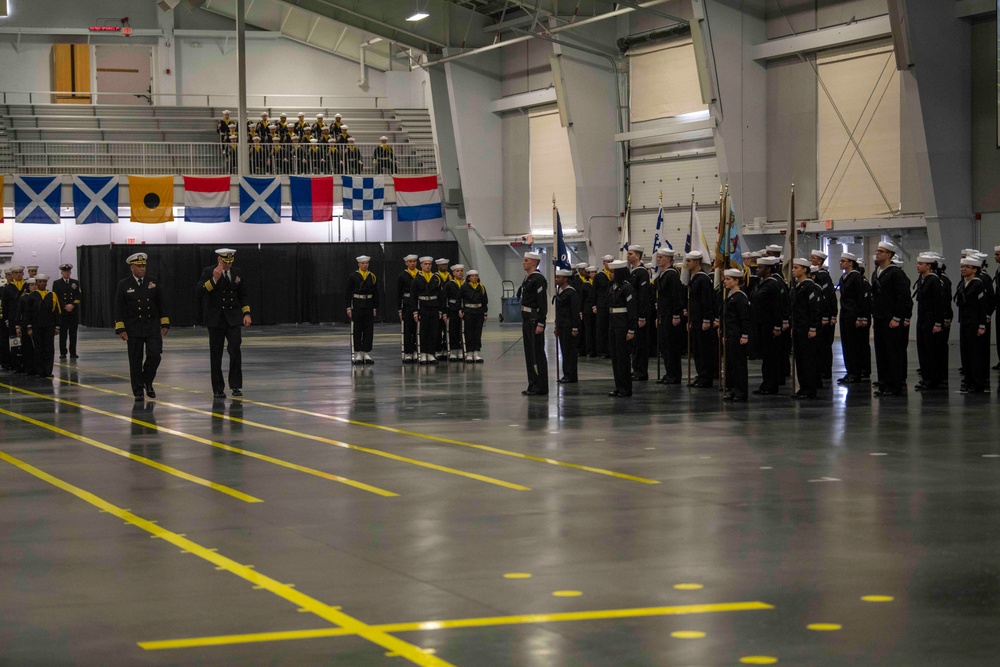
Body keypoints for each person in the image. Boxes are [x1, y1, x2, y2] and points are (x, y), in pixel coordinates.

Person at [195, 249, 251, 398]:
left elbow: (243, 294)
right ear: (219, 260)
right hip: (216, 319)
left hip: (233, 318)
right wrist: (214, 280)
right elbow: (199, 292)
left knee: (235, 350)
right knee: (216, 353)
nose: (228, 265)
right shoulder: (209, 271)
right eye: (226, 262)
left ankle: (236, 385)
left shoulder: (237, 272)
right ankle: (218, 388)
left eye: (230, 262)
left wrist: (246, 313)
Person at [115, 253, 170, 401]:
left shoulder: (153, 282)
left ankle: (147, 380)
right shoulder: (124, 284)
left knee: (155, 355)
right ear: (132, 267)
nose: (142, 269)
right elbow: (119, 308)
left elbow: (161, 303)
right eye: (139, 266)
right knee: (135, 360)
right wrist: (121, 328)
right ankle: (138, 390)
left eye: (144, 266)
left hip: (151, 326)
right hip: (134, 327)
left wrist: (164, 323)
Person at [871, 241, 912, 397]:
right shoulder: (877, 272)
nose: (877, 253)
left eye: (881, 251)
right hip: (880, 318)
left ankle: (894, 386)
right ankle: (884, 383)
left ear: (889, 254)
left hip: (891, 320)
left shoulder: (895, 273)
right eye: (877, 251)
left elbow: (903, 297)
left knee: (892, 353)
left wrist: (897, 317)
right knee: (881, 353)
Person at [914, 253, 949, 391]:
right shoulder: (924, 279)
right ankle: (927, 377)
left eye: (921, 264)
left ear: (928, 266)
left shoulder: (933, 280)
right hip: (923, 319)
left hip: (930, 320)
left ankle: (932, 380)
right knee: (923, 350)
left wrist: (938, 323)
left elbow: (938, 304)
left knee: (931, 351)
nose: (918, 266)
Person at [751, 256, 784, 394]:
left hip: (769, 325)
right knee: (765, 356)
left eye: (761, 268)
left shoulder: (773, 284)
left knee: (770, 357)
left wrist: (777, 326)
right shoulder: (761, 283)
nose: (757, 270)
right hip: (760, 324)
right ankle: (766, 383)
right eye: (758, 267)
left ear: (769, 269)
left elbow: (777, 307)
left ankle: (771, 385)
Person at [790, 258, 822, 399]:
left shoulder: (810, 287)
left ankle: (810, 389)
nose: (793, 270)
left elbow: (814, 309)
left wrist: (813, 327)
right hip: (798, 327)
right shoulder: (798, 286)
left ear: (804, 270)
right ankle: (803, 387)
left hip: (806, 327)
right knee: (800, 360)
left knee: (808, 360)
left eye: (796, 268)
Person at [519, 251, 548, 396]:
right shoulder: (528, 278)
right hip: (527, 319)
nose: (523, 263)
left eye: (526, 260)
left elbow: (542, 303)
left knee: (537, 354)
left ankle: (540, 386)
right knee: (529, 354)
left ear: (534, 263)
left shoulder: (538, 279)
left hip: (534, 319)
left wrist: (541, 323)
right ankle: (532, 383)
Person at [653, 248, 684, 384]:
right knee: (665, 347)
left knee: (672, 347)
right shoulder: (662, 275)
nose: (658, 259)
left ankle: (674, 375)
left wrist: (676, 314)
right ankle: (669, 372)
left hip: (671, 315)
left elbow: (676, 296)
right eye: (658, 257)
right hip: (663, 314)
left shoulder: (672, 275)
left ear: (669, 260)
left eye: (661, 257)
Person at [686, 251, 716, 388]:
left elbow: (706, 301)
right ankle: (700, 374)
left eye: (689, 261)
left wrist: (706, 319)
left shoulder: (703, 279)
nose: (687, 264)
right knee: (697, 350)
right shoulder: (694, 278)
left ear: (697, 262)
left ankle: (706, 377)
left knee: (704, 350)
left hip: (702, 320)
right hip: (695, 319)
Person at [607, 259, 636, 397]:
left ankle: (625, 388)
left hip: (623, 326)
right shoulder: (613, 287)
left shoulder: (627, 288)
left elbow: (631, 310)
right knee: (615, 359)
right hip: (614, 324)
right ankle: (619, 386)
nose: (610, 274)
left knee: (623, 359)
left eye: (613, 272)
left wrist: (631, 329)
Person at [22, 273, 60, 379]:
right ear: (37, 283)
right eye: (40, 282)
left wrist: (57, 327)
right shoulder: (32, 297)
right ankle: (39, 371)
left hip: (49, 326)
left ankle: (48, 371)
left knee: (49, 349)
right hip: (36, 327)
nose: (42, 283)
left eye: (44, 282)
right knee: (38, 349)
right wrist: (29, 327)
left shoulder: (52, 295)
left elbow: (56, 311)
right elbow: (27, 313)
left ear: (46, 283)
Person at [721, 268, 751, 401]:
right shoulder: (731, 295)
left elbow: (745, 318)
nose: (725, 281)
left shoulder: (740, 297)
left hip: (738, 335)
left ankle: (741, 392)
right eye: (725, 279)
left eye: (728, 279)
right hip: (730, 334)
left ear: (736, 280)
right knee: (732, 365)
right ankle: (734, 389)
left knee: (739, 365)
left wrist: (745, 335)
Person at [410, 256, 444, 365]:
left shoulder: (436, 278)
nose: (428, 266)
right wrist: (415, 311)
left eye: (429, 264)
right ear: (421, 265)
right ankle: (423, 353)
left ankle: (431, 354)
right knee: (423, 331)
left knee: (433, 331)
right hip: (423, 307)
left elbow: (441, 296)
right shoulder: (417, 279)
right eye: (425, 264)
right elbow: (413, 296)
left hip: (434, 306)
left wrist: (440, 310)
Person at [346, 254, 379, 366]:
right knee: (357, 329)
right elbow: (348, 293)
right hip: (357, 305)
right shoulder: (353, 276)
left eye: (367, 263)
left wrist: (375, 306)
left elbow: (375, 293)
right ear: (359, 264)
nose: (365, 265)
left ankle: (366, 352)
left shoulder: (372, 276)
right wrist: (348, 307)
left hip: (369, 304)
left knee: (368, 329)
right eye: (363, 263)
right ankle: (358, 352)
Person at [809, 250, 836, 380]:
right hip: (817, 315)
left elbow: (828, 297)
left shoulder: (823, 276)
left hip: (824, 315)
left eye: (813, 258)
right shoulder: (814, 275)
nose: (810, 259)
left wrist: (828, 315)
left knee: (825, 344)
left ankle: (826, 370)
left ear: (819, 261)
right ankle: (819, 369)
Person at [626, 246, 651, 381]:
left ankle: (641, 371)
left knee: (641, 343)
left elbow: (643, 296)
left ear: (638, 255)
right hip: (634, 313)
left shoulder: (641, 273)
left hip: (640, 314)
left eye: (631, 254)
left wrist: (642, 316)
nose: (628, 256)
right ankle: (636, 368)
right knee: (635, 344)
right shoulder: (633, 272)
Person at [554, 268, 581, 384]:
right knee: (564, 351)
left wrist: (575, 328)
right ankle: (566, 374)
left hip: (569, 326)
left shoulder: (571, 293)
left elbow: (575, 312)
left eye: (558, 277)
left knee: (570, 352)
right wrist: (556, 327)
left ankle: (571, 375)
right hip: (562, 326)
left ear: (565, 279)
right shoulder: (560, 291)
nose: (556, 279)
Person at [52, 263, 82, 360]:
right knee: (63, 334)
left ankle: (73, 352)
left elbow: (79, 295)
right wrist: (64, 306)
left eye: (68, 272)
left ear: (70, 272)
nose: (67, 273)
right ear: (62, 273)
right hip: (63, 312)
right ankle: (63, 352)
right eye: (65, 272)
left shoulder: (75, 282)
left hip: (73, 312)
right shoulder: (57, 283)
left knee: (73, 334)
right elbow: (55, 297)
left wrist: (72, 305)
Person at [1, 265, 27, 371]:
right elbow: (5, 305)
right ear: (12, 275)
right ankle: (15, 364)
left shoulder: (27, 286)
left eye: (20, 272)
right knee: (15, 342)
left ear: (23, 274)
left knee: (26, 342)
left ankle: (26, 363)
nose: (18, 274)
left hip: (25, 319)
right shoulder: (8, 288)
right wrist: (6, 319)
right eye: (15, 273)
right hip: (13, 319)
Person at [460, 269, 487, 363]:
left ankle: (477, 352)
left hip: (479, 312)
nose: (475, 278)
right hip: (468, 311)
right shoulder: (464, 287)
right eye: (473, 276)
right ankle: (469, 353)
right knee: (469, 332)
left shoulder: (481, 287)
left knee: (477, 333)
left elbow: (485, 301)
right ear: (469, 278)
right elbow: (459, 299)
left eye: (476, 276)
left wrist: (485, 313)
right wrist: (461, 310)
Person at [397, 254, 419, 363]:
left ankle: (416, 350)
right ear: (406, 263)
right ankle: (408, 352)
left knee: (417, 329)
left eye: (414, 261)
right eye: (410, 261)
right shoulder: (402, 276)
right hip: (407, 304)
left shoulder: (420, 274)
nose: (413, 263)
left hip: (418, 304)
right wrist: (399, 308)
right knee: (408, 329)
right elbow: (398, 293)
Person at [442, 264, 465, 361]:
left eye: (461, 271)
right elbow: (444, 299)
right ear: (453, 273)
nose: (460, 272)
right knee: (453, 330)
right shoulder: (449, 284)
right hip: (452, 310)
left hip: (464, 310)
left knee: (462, 330)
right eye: (457, 271)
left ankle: (460, 350)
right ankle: (453, 350)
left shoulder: (465, 284)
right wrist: (445, 312)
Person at [14, 278, 37, 375]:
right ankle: (28, 368)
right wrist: (17, 326)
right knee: (27, 348)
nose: (34, 287)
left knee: (37, 348)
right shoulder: (24, 298)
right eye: (31, 285)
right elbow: (19, 313)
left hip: (38, 325)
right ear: (28, 286)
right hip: (26, 324)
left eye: (35, 285)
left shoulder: (40, 296)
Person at [593, 255, 614, 358]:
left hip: (611, 305)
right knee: (601, 328)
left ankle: (610, 350)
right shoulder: (599, 276)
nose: (609, 263)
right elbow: (594, 292)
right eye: (607, 261)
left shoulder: (614, 275)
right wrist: (594, 305)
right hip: (601, 305)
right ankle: (601, 351)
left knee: (611, 328)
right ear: (603, 263)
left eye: (611, 261)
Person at [434, 258, 452, 360]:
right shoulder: (435, 277)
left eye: (446, 265)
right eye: (442, 265)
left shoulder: (450, 276)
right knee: (437, 329)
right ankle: (437, 349)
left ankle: (446, 349)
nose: (444, 266)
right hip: (438, 306)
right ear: (439, 266)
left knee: (447, 330)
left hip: (448, 306)